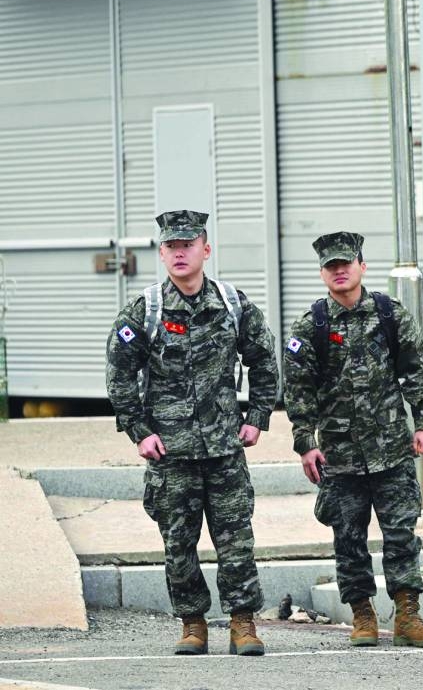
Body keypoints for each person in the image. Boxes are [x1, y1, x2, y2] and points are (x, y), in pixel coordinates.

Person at [106, 210, 278, 656]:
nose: (179, 253)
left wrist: (257, 415)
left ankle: (243, 624)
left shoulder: (232, 303)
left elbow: (263, 359)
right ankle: (193, 624)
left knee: (236, 543)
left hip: (224, 449)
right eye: (170, 246)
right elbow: (119, 374)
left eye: (188, 244)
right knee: (178, 546)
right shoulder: (145, 309)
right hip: (171, 454)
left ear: (206, 249)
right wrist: (139, 431)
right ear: (162, 253)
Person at [281, 231, 423, 649]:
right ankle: (362, 616)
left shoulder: (390, 315)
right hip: (340, 456)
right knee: (348, 539)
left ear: (361, 267)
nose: (339, 271)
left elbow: (417, 369)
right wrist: (305, 442)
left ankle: (408, 616)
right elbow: (297, 391)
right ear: (322, 273)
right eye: (331, 266)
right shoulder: (311, 326)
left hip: (392, 450)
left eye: (346, 264)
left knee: (401, 536)